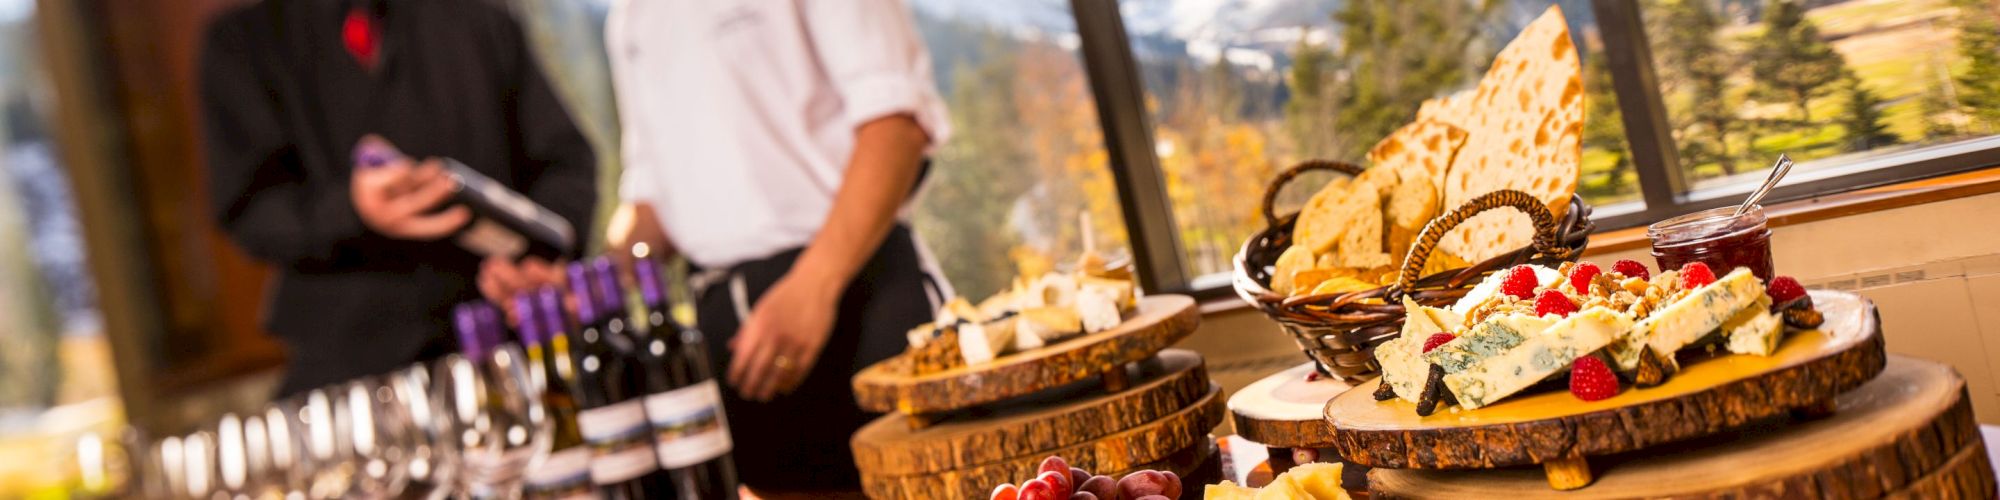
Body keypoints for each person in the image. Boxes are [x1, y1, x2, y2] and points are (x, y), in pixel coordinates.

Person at [599, 0, 951, 493]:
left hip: (858, 294)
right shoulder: (630, 14)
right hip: (735, 341)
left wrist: (813, 288)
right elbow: (651, 199)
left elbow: (895, 126)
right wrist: (590, 282)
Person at [199, 0, 596, 396]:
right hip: (351, 367)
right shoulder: (245, 42)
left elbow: (565, 164)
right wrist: (349, 209)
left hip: (504, 342)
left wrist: (537, 257)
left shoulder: (478, 17)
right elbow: (251, 210)